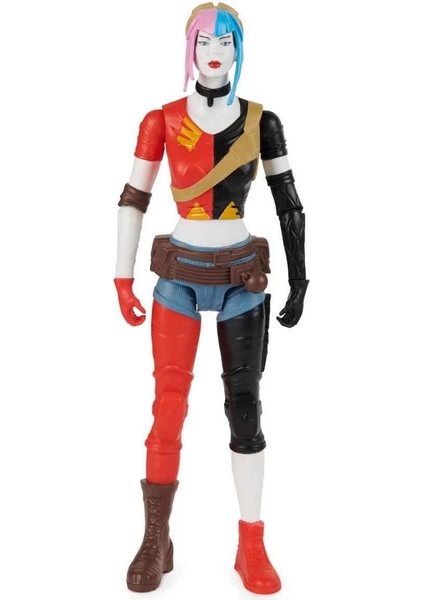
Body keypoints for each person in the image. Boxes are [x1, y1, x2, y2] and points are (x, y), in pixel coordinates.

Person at [114, 2, 308, 594]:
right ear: (190, 48)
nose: (215, 51)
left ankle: (251, 542)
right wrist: (122, 276)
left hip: (242, 278)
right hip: (178, 274)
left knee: (245, 409)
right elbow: (134, 197)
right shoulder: (163, 120)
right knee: (168, 407)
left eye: (226, 41)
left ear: (238, 51)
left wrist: (300, 276)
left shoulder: (261, 121)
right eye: (204, 41)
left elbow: (288, 201)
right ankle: (156, 537)